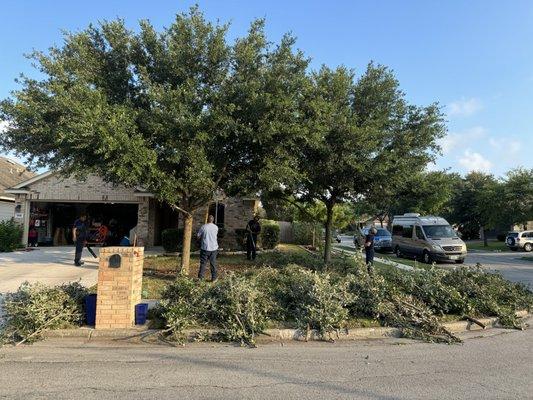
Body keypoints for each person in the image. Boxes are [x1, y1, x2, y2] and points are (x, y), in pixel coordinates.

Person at [197, 215, 219, 281]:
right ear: (213, 220)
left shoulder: (203, 227)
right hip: (214, 248)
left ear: (207, 219)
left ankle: (201, 278)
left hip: (205, 248)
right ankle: (214, 278)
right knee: (213, 263)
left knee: (203, 263)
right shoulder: (216, 227)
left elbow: (198, 236)